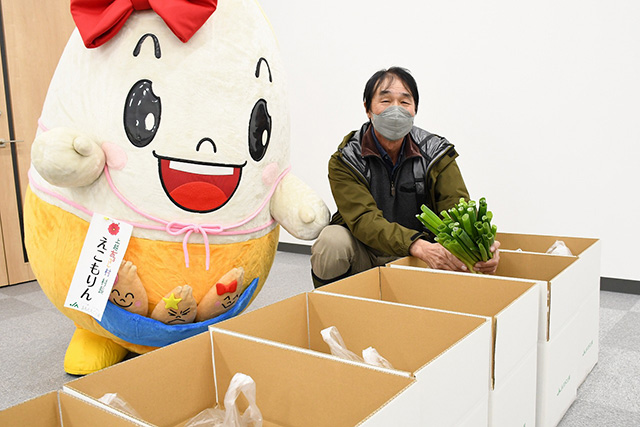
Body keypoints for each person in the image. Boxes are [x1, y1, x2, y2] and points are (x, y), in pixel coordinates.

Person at [310, 67, 500, 288]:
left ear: (415, 109)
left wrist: (480, 248)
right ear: (368, 109)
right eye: (386, 101)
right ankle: (332, 303)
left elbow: (457, 207)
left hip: (421, 258)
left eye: (404, 102)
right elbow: (364, 219)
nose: (396, 109)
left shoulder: (436, 154)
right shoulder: (346, 160)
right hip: (368, 253)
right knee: (331, 241)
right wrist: (414, 244)